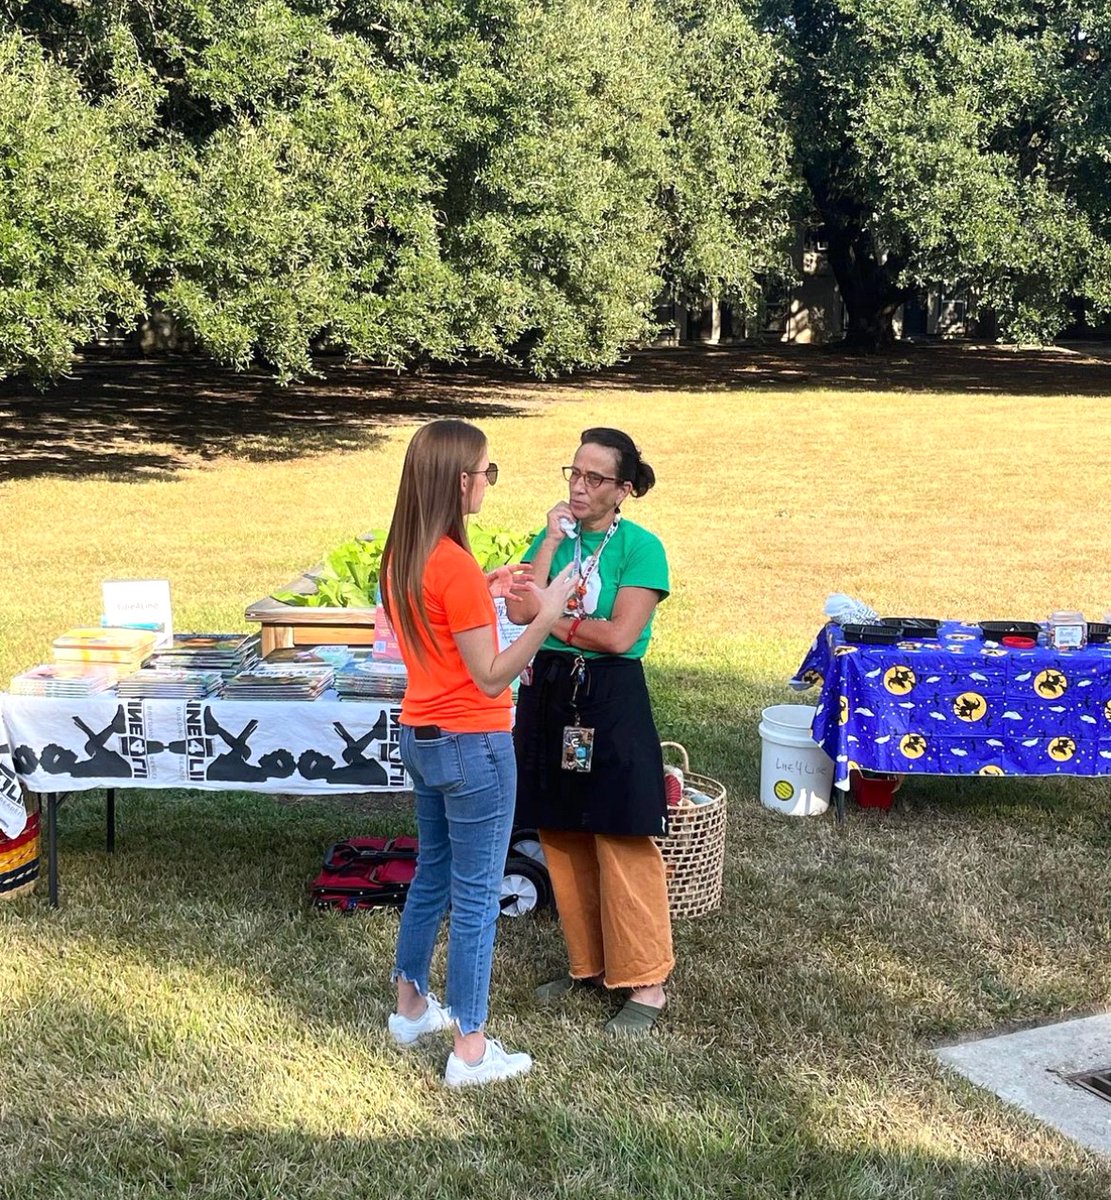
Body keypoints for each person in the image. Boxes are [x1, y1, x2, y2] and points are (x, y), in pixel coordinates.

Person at [380, 418, 575, 1087]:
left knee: (432, 875)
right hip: (474, 744)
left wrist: (484, 592)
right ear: (458, 479)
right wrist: (547, 614)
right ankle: (469, 1047)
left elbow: (442, 627)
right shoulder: (452, 565)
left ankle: (410, 1008)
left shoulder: (407, 551)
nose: (490, 483)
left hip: (423, 736)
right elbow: (492, 675)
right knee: (472, 896)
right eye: (487, 472)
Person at [506, 427, 673, 1035]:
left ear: (623, 490)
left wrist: (558, 623)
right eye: (573, 473)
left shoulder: (641, 548)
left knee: (621, 830)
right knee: (561, 824)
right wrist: (549, 544)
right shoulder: (554, 537)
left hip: (607, 695)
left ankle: (646, 982)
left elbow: (621, 637)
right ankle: (589, 965)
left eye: (595, 478)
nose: (579, 486)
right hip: (552, 691)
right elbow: (519, 609)